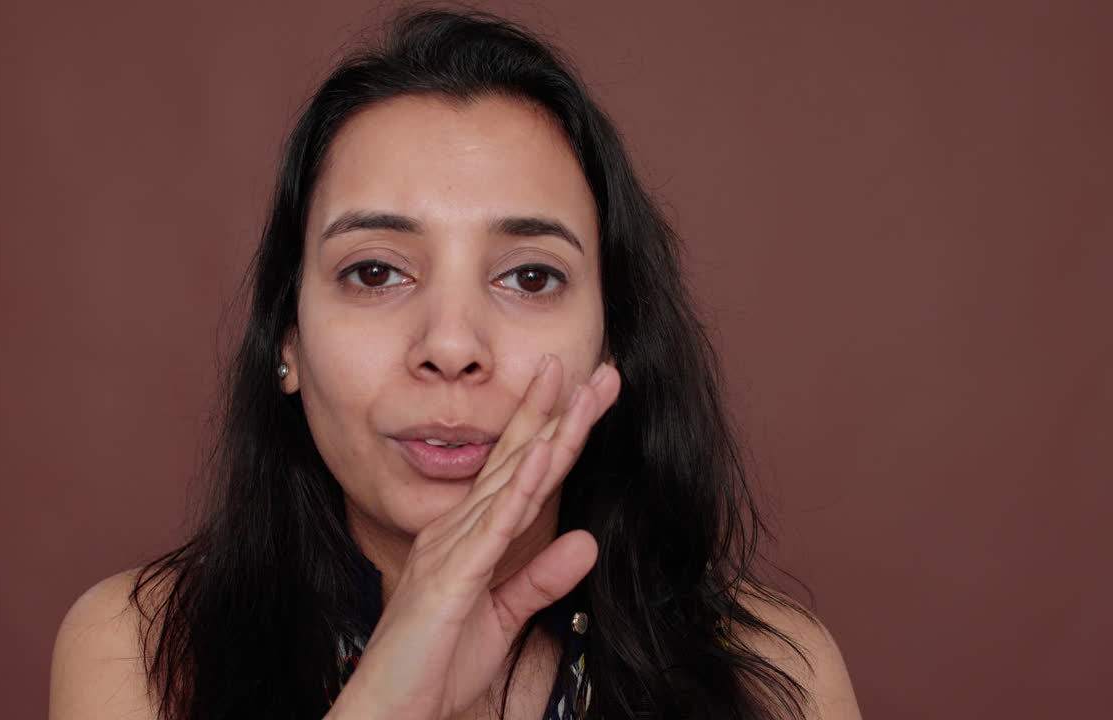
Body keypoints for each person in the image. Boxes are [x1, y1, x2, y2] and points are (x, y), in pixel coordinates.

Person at [49, 8, 861, 720]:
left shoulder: (776, 672)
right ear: (287, 343)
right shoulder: (144, 649)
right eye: (374, 272)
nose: (450, 347)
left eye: (530, 276)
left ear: (610, 345)